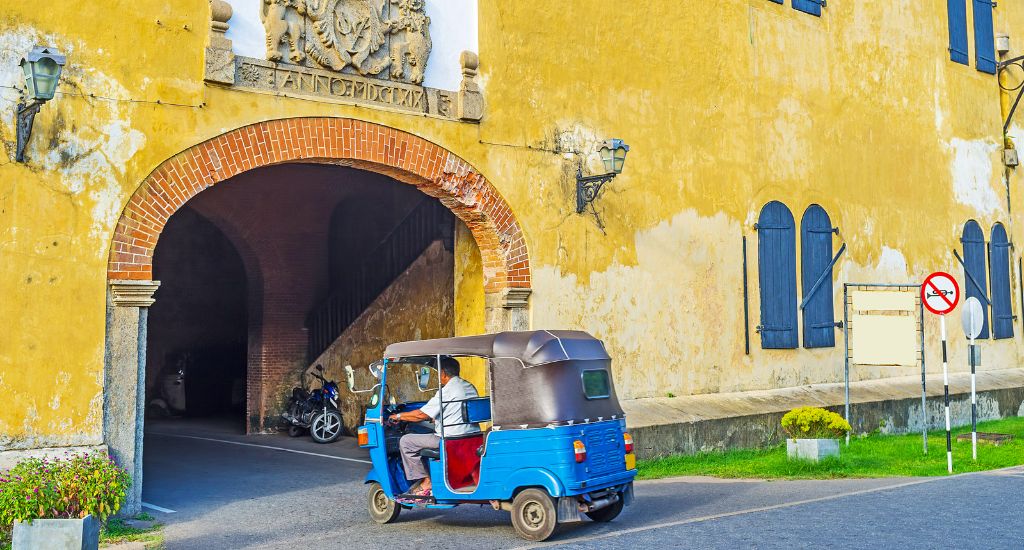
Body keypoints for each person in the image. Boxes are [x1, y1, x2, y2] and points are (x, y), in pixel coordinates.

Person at [389, 356, 479, 497]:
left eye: (438, 373)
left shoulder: (447, 390)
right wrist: (436, 417)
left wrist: (398, 416)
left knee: (406, 441)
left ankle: (426, 481)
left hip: (450, 439)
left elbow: (420, 415)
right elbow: (457, 410)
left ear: (443, 373)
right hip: (470, 436)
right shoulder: (469, 386)